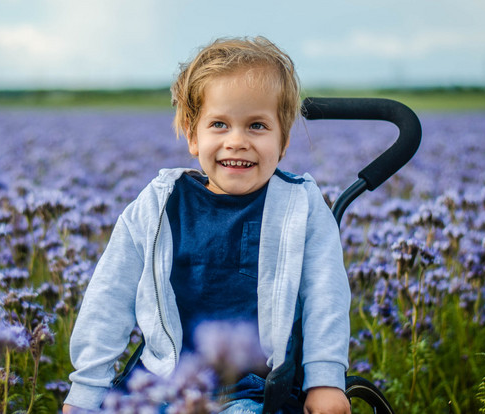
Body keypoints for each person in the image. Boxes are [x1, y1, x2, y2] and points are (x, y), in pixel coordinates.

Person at [63, 36, 351, 414]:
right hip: (160, 387)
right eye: (219, 124)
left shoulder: (300, 205)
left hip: (251, 392)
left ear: (283, 139)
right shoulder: (159, 204)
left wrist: (326, 381)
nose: (237, 141)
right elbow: (109, 299)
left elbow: (325, 298)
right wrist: (86, 391)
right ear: (191, 133)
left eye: (257, 126)